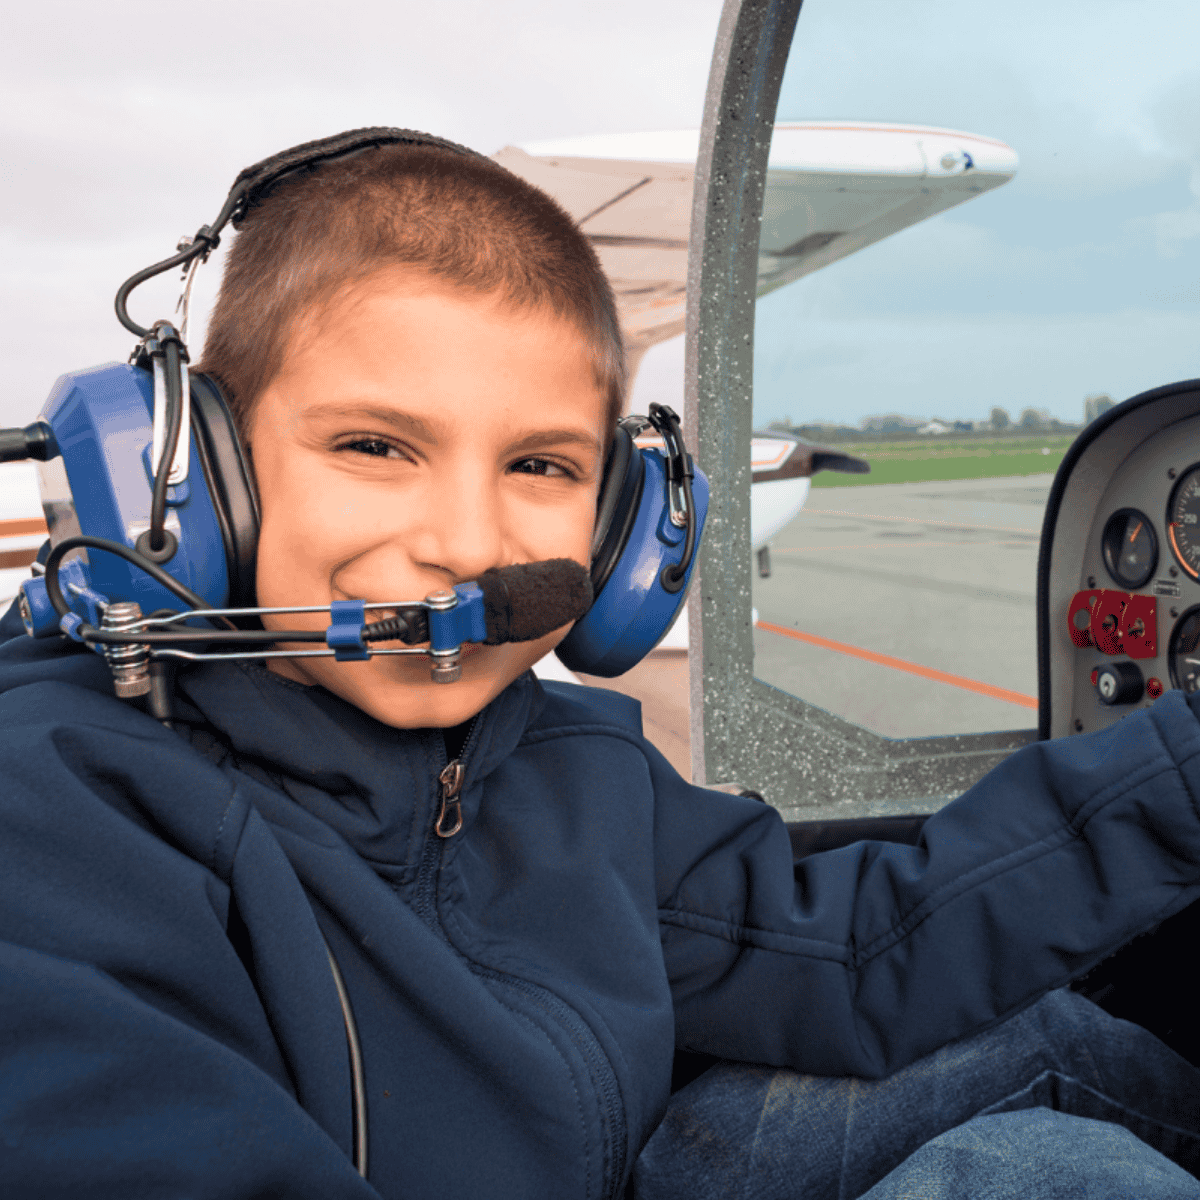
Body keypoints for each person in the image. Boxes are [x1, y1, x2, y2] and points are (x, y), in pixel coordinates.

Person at [2, 134, 1200, 1200]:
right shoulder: (63, 811)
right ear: (195, 479)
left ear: (628, 527)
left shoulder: (571, 763)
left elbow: (850, 950)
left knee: (1047, 1048)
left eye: (542, 467)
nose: (468, 543)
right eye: (375, 445)